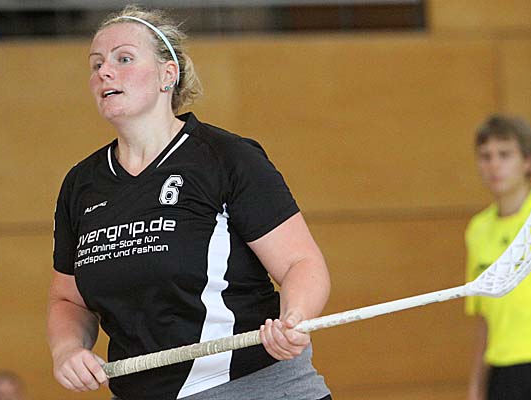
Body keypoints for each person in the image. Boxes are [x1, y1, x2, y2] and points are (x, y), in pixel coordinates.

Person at [47, 5, 331, 400]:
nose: (104, 72)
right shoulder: (81, 184)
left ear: (168, 74)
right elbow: (67, 299)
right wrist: (66, 350)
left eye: (123, 59)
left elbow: (302, 264)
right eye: (96, 64)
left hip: (253, 387)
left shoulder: (226, 158)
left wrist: (293, 319)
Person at [465, 114, 531, 400]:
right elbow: (484, 315)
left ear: (527, 161)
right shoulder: (477, 230)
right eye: (485, 156)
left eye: (504, 155)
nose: (494, 165)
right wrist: (476, 386)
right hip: (503, 371)